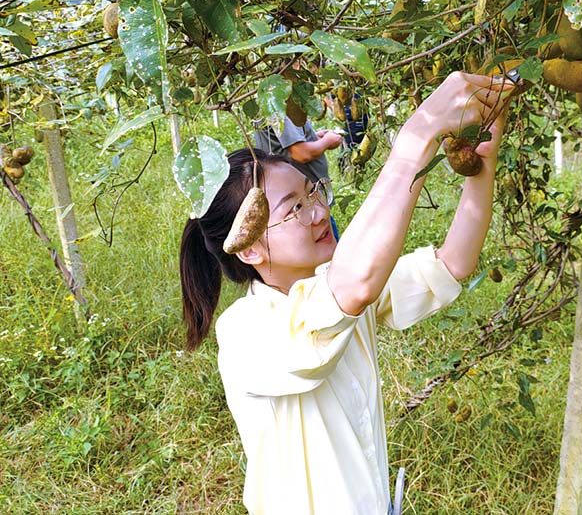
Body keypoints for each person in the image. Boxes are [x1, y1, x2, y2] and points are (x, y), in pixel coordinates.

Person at [179, 72, 511, 515]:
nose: (319, 211)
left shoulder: (338, 288)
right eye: (294, 208)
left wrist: (484, 158)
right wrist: (417, 135)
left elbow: (452, 263)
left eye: (312, 191)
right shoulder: (245, 333)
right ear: (251, 245)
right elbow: (350, 289)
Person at [254, 115, 343, 237]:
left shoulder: (268, 105)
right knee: (322, 238)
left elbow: (284, 145)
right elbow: (301, 153)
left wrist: (312, 138)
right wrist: (327, 141)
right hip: (308, 198)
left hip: (292, 199)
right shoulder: (283, 108)